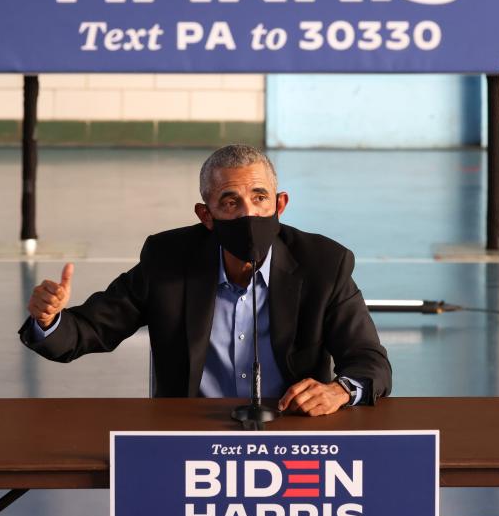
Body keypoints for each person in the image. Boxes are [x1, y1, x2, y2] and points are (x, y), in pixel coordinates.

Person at [19, 144, 391, 414]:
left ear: (279, 205)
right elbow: (90, 330)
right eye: (230, 202)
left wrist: (339, 391)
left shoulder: (323, 263)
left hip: (291, 429)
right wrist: (49, 320)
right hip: (188, 432)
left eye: (259, 198)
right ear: (206, 215)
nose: (248, 213)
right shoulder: (168, 259)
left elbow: (368, 361)